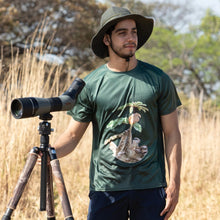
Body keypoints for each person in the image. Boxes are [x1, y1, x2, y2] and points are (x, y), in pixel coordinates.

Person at [53, 6, 182, 220]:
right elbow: (73, 135)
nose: (131, 38)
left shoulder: (159, 80)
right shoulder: (91, 84)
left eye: (133, 32)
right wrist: (50, 152)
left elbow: (172, 133)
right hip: (106, 187)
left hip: (150, 186)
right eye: (122, 33)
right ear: (107, 39)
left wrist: (175, 183)